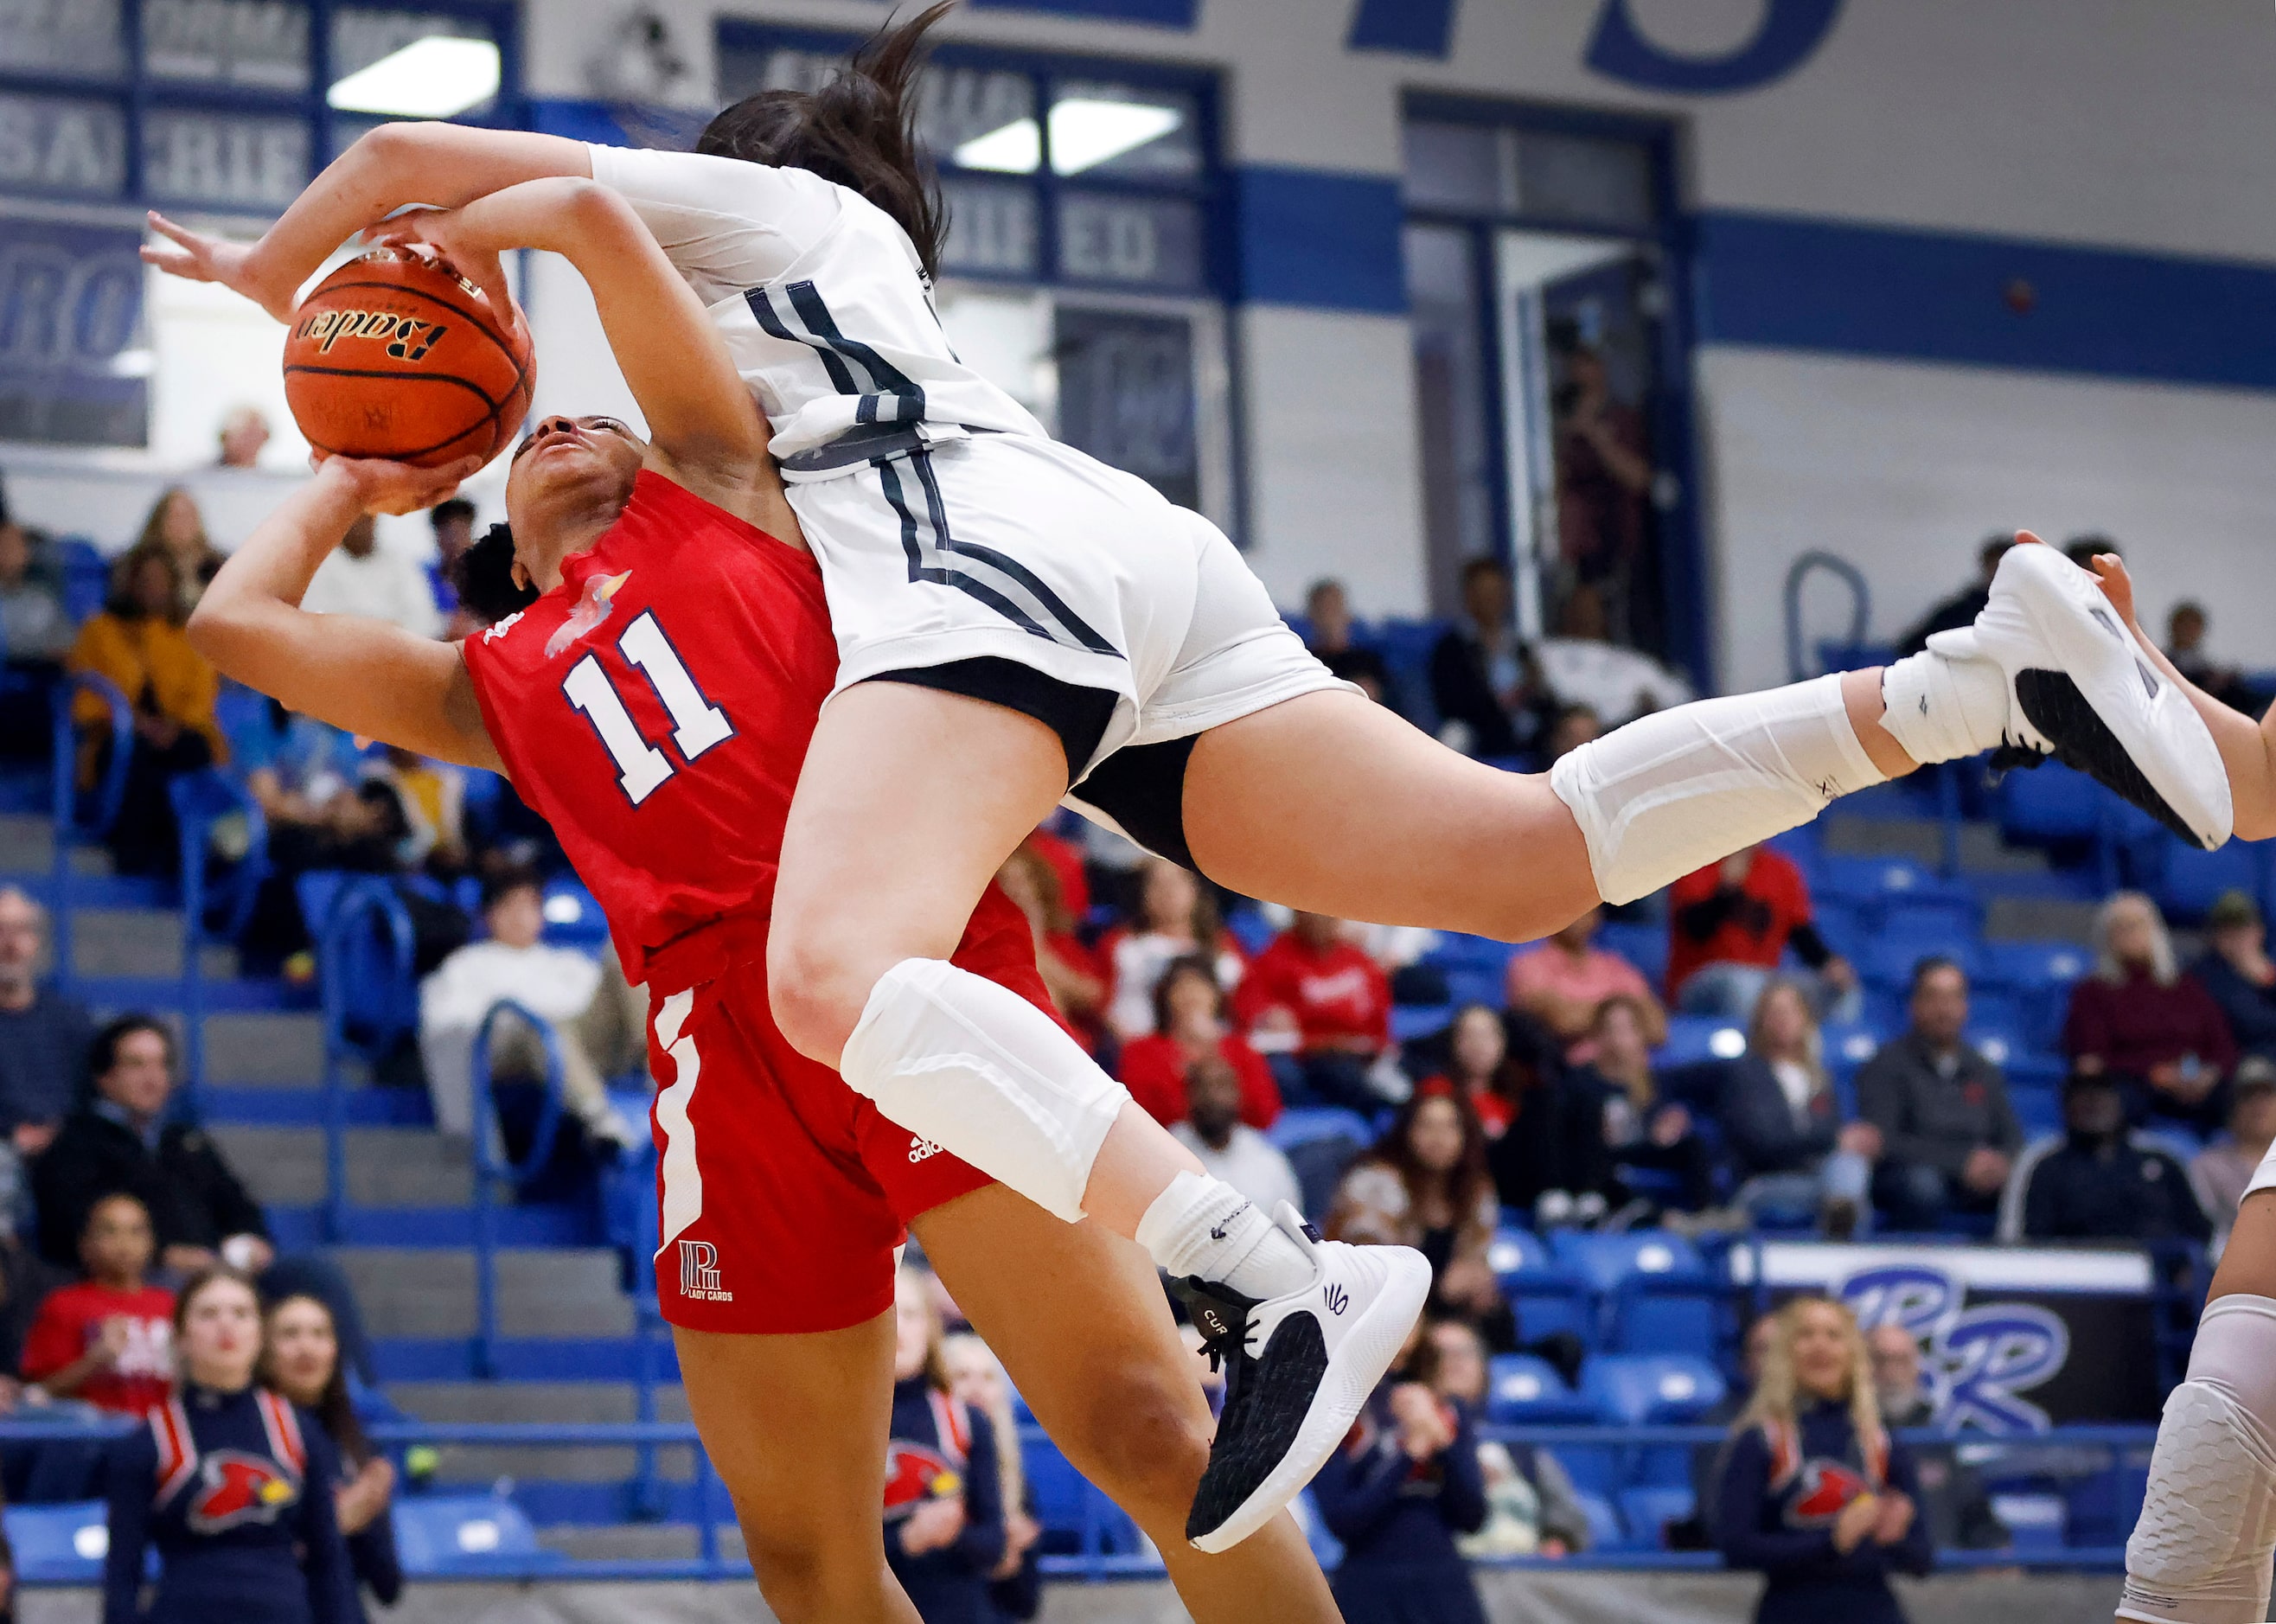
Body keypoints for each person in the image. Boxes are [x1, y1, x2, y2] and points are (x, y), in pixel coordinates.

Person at [155, 15, 2242, 1551]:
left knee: (829, 967)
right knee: (1523, 859)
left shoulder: (758, 237)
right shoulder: (770, 390)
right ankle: (1972, 687)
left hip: (995, 562)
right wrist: (438, 401)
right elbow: (316, 579)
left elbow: (479, 175)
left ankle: (1268, 1269)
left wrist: (292, 286)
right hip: (1138, 576)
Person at [169, 168, 1359, 1614]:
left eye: (587, 411)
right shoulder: (485, 689)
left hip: (906, 964)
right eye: (530, 433)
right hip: (718, 1057)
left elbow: (596, 223)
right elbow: (231, 622)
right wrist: (362, 464)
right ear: (498, 554)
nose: (560, 423)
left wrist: (445, 249)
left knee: (1156, 1436)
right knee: (802, 1554)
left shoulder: (727, 487)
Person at [31, 1017, 374, 1381]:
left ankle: (359, 1404)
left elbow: (239, 1204)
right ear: (104, 1078)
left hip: (219, 1267)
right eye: (137, 1064)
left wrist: (252, 1241)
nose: (153, 1077)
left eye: (162, 1064)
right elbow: (68, 1226)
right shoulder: (75, 1144)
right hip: (147, 1276)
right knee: (207, 1303)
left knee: (312, 1275)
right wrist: (163, 1253)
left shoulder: (187, 1140)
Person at [101, 1268, 351, 1624]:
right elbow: (122, 1576)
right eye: (208, 1314)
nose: (226, 1326)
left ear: (260, 1333)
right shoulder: (150, 1442)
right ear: (181, 1337)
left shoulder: (299, 1433)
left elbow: (330, 1563)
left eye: (240, 1313)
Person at [1715, 1296, 1932, 1624]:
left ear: (1853, 1354)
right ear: (1784, 1353)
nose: (1820, 1346)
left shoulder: (1879, 1439)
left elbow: (1922, 1559)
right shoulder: (1762, 1439)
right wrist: (1830, 1542)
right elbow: (1737, 1547)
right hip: (1791, 1610)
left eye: (1834, 1335)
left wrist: (1896, 1537)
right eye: (1805, 1335)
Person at [417, 866, 643, 1150]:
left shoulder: (566, 962)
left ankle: (666, 1070)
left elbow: (595, 1011)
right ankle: (600, 1120)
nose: (521, 917)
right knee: (543, 1026)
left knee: (630, 945)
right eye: (511, 906)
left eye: (530, 906)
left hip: (586, 1045)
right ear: (490, 914)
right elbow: (447, 1032)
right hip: (517, 1055)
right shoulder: (466, 965)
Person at [1309, 1325, 1489, 1624]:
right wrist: (1408, 1455)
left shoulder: (1449, 1411)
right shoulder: (1335, 1411)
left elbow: (1473, 1516)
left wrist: (1441, 1443)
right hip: (1369, 1585)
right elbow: (1342, 1519)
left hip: (1443, 1583)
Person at [67, 544, 226, 875]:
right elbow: (85, 698)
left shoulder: (187, 636)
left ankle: (180, 857)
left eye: (160, 579)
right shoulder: (99, 632)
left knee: (193, 751)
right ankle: (132, 853)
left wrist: (172, 726)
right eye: (145, 579)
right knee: (133, 755)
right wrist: (135, 723)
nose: (153, 587)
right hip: (117, 734)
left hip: (176, 730)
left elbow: (200, 697)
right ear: (129, 583)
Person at [1327, 1090, 1509, 1347]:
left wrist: (1476, 1281)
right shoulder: (1375, 1185)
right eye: (1427, 1126)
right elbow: (1369, 1277)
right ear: (1406, 1132)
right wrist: (1438, 1288)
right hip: (1375, 1321)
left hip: (1449, 1322)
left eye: (1450, 1127)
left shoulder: (1475, 1191)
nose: (1438, 1138)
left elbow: (1477, 1263)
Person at [1853, 958, 2023, 1231]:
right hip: (1909, 1177)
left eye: (1954, 998)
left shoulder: (1983, 1069)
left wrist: (2001, 1163)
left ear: (1965, 1007)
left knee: (2032, 1183)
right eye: (1934, 997)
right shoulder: (1886, 1064)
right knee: (1922, 1186)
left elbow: (2011, 1135)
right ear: (1914, 1005)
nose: (1945, 1009)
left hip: (1977, 1183)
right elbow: (1884, 1141)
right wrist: (1961, 1163)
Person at [262, 1294, 401, 1622]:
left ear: (336, 1350)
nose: (306, 1348)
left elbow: (388, 1586)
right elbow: (248, 1561)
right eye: (290, 1334)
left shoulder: (353, 1444)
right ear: (264, 1352)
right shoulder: (246, 1435)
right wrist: (335, 1522)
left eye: (319, 1334)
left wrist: (370, 1511)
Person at [885, 1267, 1006, 1624]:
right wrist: (905, 1540)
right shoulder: (836, 1422)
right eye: (888, 1313)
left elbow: (992, 1545)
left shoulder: (966, 1419)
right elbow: (819, 1557)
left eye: (910, 1314)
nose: (899, 1327)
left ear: (930, 1326)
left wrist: (953, 1534)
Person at [2063, 891, 2235, 1134]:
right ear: (2106, 936)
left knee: (2247, 1095)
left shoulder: (2187, 987)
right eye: (2121, 927)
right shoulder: (2092, 992)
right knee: (2113, 1098)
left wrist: (2207, 1075)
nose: (2131, 933)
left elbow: (2222, 1047)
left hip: (2195, 1083)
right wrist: (2154, 1073)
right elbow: (2092, 1061)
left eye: (2138, 925)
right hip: (2134, 1085)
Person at [1717, 979, 1879, 1237]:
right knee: (1848, 1182)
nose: (1783, 1019)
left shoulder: (1820, 1079)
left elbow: (1830, 1132)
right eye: (1774, 1012)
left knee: (1850, 1172)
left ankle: (1840, 1229)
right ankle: (1843, 1240)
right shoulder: (1745, 1075)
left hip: (1820, 1179)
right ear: (1760, 1021)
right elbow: (1763, 1144)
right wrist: (1832, 1141)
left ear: (1806, 1019)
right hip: (1764, 1183)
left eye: (1791, 1011)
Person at [1429, 1320, 1589, 1560]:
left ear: (1484, 1367)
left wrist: (1558, 1542)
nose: (1454, 1361)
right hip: (1446, 1570)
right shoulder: (1406, 1438)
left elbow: (1565, 1517)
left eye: (1464, 1352)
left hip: (1524, 1574)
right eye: (1440, 1353)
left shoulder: (1515, 1442)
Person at [2003, 1069, 2212, 1246]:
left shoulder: (2165, 1159)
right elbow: (2017, 1240)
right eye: (2082, 1095)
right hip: (2073, 1283)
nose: (2093, 1102)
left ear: (2122, 1101)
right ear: (2066, 1105)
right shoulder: (2042, 1162)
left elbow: (2204, 1235)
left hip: (2161, 1284)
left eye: (2102, 1093)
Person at [1667, 843, 1859, 1021]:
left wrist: (1828, 963)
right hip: (1700, 981)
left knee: (1840, 987)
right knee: (1742, 985)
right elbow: (1696, 930)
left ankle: (1829, 1052)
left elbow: (1801, 936)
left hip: (1764, 979)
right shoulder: (1694, 864)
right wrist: (1725, 891)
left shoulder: (1781, 870)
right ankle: (1755, 1052)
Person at [20, 1193, 174, 1416]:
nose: (125, 1243)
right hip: (90, 1438)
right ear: (85, 1244)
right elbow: (36, 1393)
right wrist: (94, 1360)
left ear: (151, 1242)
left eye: (136, 1231)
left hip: (163, 1434)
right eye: (109, 1231)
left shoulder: (171, 1304)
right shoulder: (63, 1305)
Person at [1864, 1324, 2008, 1553]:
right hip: (1865, 1575)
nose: (1891, 1373)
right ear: (1864, 1368)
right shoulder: (1847, 1434)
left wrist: (1996, 1547)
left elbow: (1975, 1515)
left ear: (1917, 1369)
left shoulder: (1941, 1440)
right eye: (1881, 1360)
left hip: (1938, 1578)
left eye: (1901, 1361)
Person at [1233, 909, 1394, 1111]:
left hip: (1354, 1053)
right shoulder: (1275, 956)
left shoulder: (1358, 960)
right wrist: (1267, 1016)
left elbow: (1379, 1020)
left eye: (1325, 914)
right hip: (1302, 1054)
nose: (1319, 920)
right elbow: (1249, 1005)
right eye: (1311, 913)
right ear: (1296, 915)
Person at [1579, 993, 1717, 1216]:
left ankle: (1706, 1214)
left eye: (1627, 1029)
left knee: (1694, 1145)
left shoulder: (1653, 1081)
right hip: (1600, 1156)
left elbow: (1663, 1122)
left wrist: (1671, 1123)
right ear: (1597, 1035)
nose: (1618, 1038)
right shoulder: (1583, 1080)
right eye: (1611, 1029)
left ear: (1640, 1035)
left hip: (1641, 1148)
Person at [1551, 342, 1652, 644]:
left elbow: (1638, 478)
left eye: (1588, 367)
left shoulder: (1622, 419)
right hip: (1578, 549)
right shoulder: (1564, 426)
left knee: (1621, 629)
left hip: (1618, 546)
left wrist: (1595, 434)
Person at [940, 1333, 1041, 1624]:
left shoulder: (1017, 1481)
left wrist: (1013, 1562)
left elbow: (1026, 1605)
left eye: (987, 1377)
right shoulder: (926, 1463)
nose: (976, 1389)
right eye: (962, 1376)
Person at [1118, 956, 1279, 1130]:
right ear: (1166, 999)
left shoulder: (1241, 1049)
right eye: (1182, 988)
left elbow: (1265, 1114)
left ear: (1216, 996)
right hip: (1166, 1142)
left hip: (1233, 1143)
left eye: (1201, 988)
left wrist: (1214, 1054)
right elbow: (1139, 1115)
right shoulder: (1141, 1050)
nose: (1192, 996)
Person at [1102, 857, 1244, 1040]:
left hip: (1215, 1051)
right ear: (1143, 893)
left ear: (1195, 890)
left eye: (1177, 882)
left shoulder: (1224, 948)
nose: (1168, 892)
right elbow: (1098, 1002)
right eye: (1157, 884)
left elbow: (1246, 1005)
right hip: (1135, 1049)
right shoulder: (1121, 945)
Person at [1505, 905, 1665, 1059]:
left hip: (1633, 1070)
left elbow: (1657, 1026)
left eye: (1586, 909)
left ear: (1597, 916)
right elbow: (1564, 1022)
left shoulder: (1613, 964)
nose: (1579, 917)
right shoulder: (1529, 965)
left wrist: (1581, 1010)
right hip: (1567, 1074)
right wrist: (1623, 1016)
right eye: (1571, 908)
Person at [0, 886, 88, 1156]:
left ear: (36, 941)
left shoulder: (71, 1021)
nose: (10, 944)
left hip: (67, 1156)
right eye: (1, 930)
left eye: (20, 930)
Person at [1429, 557, 1547, 759]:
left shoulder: (1519, 645)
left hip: (1527, 727)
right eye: (1484, 593)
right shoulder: (1452, 647)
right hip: (1480, 728)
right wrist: (1499, 703)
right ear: (1469, 597)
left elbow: (1541, 697)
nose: (1492, 601)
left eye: (1496, 592)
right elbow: (1452, 703)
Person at [990, 846, 1106, 1049]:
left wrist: (1035, 938)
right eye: (1007, 882)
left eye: (1023, 881)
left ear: (1038, 885)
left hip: (1064, 1040)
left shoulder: (1062, 941)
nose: (1016, 890)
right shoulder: (991, 943)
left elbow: (1091, 995)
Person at [1170, 1055, 1301, 1218]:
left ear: (1238, 1093)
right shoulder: (1168, 1153)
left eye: (1221, 1086)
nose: (1212, 1097)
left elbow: (1291, 1222)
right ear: (1188, 1094)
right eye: (1202, 1087)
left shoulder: (1265, 1156)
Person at [298, 515, 443, 638]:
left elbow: (422, 619)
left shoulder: (399, 563)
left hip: (400, 657)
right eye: (356, 518)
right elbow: (319, 624)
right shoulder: (320, 565)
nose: (362, 525)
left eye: (368, 518)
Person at [2191, 1059, 2276, 1244]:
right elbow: (2206, 1228)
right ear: (2232, 1108)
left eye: (2267, 1095)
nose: (2258, 1105)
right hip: (2234, 1257)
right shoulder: (2209, 1165)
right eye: (2248, 1096)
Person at [2190, 889, 2276, 1062]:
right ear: (2215, 936)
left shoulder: (2268, 968)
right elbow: (2252, 1024)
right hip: (2242, 1060)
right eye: (2229, 933)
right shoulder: (2205, 975)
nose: (2239, 939)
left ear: (2259, 932)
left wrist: (2267, 978)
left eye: (2244, 930)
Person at [1895, 536, 2009, 659]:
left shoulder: (2027, 608)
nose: (1999, 573)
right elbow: (1912, 646)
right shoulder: (1959, 612)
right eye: (1995, 566)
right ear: (1985, 566)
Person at [134, 488, 225, 611]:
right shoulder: (140, 564)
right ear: (160, 521)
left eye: (188, 516)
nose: (183, 523)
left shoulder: (216, 564)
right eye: (175, 516)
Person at [2164, 600, 2260, 717]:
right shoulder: (2158, 663)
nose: (2187, 631)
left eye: (2192, 626)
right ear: (2173, 627)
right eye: (2184, 625)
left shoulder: (2208, 670)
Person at [1301, 579, 1391, 702]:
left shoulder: (1368, 661)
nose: (1330, 617)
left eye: (1334, 608)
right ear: (1311, 615)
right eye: (1324, 609)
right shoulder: (1305, 662)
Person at [217, 406, 272, 470]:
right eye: (244, 435)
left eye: (255, 436)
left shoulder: (270, 476)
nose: (250, 442)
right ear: (225, 437)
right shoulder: (207, 476)